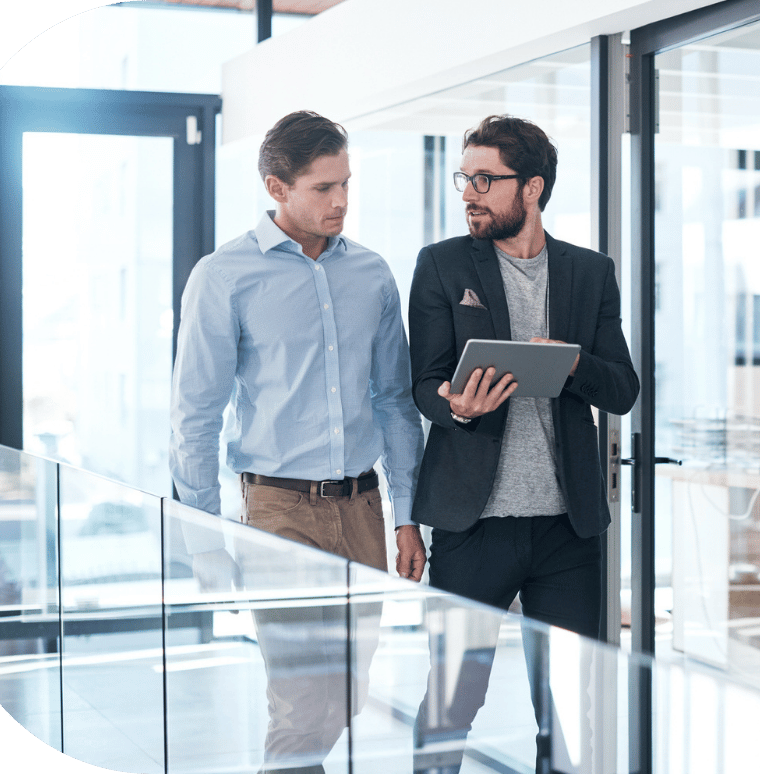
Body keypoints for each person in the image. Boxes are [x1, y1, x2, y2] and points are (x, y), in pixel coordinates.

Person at [169, 110, 426, 774]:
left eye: (346, 183)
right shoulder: (224, 276)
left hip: (363, 510)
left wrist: (407, 515)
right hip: (278, 513)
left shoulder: (371, 274)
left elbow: (394, 400)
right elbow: (195, 413)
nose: (340, 201)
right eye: (322, 188)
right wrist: (204, 540)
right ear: (276, 187)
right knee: (298, 697)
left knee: (347, 692)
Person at [408, 115, 640, 772]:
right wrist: (454, 406)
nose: (469, 193)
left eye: (486, 179)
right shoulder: (443, 264)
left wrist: (569, 364)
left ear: (532, 187)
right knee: (453, 703)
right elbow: (423, 381)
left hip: (568, 533)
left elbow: (622, 387)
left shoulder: (590, 273)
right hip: (472, 525)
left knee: (570, 709)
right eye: (465, 177)